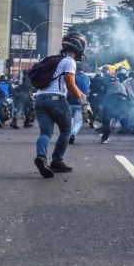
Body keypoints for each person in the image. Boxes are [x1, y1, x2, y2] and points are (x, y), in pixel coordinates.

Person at [33, 32, 93, 178]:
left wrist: (82, 96)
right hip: (56, 99)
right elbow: (70, 83)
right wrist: (82, 102)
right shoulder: (69, 61)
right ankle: (57, 162)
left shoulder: (54, 60)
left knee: (46, 132)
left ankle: (41, 157)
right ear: (78, 46)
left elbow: (69, 84)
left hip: (40, 99)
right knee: (66, 130)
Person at [99, 72, 132, 143]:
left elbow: (101, 94)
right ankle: (121, 124)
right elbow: (128, 97)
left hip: (111, 100)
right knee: (120, 114)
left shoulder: (106, 84)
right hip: (123, 102)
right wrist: (128, 108)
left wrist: (100, 104)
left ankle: (104, 138)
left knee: (106, 118)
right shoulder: (122, 84)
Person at [68, 63, 91, 144]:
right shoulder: (86, 77)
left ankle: (68, 133)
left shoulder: (71, 76)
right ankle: (73, 134)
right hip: (81, 102)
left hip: (69, 101)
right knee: (78, 121)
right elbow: (88, 90)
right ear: (83, 68)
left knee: (70, 119)